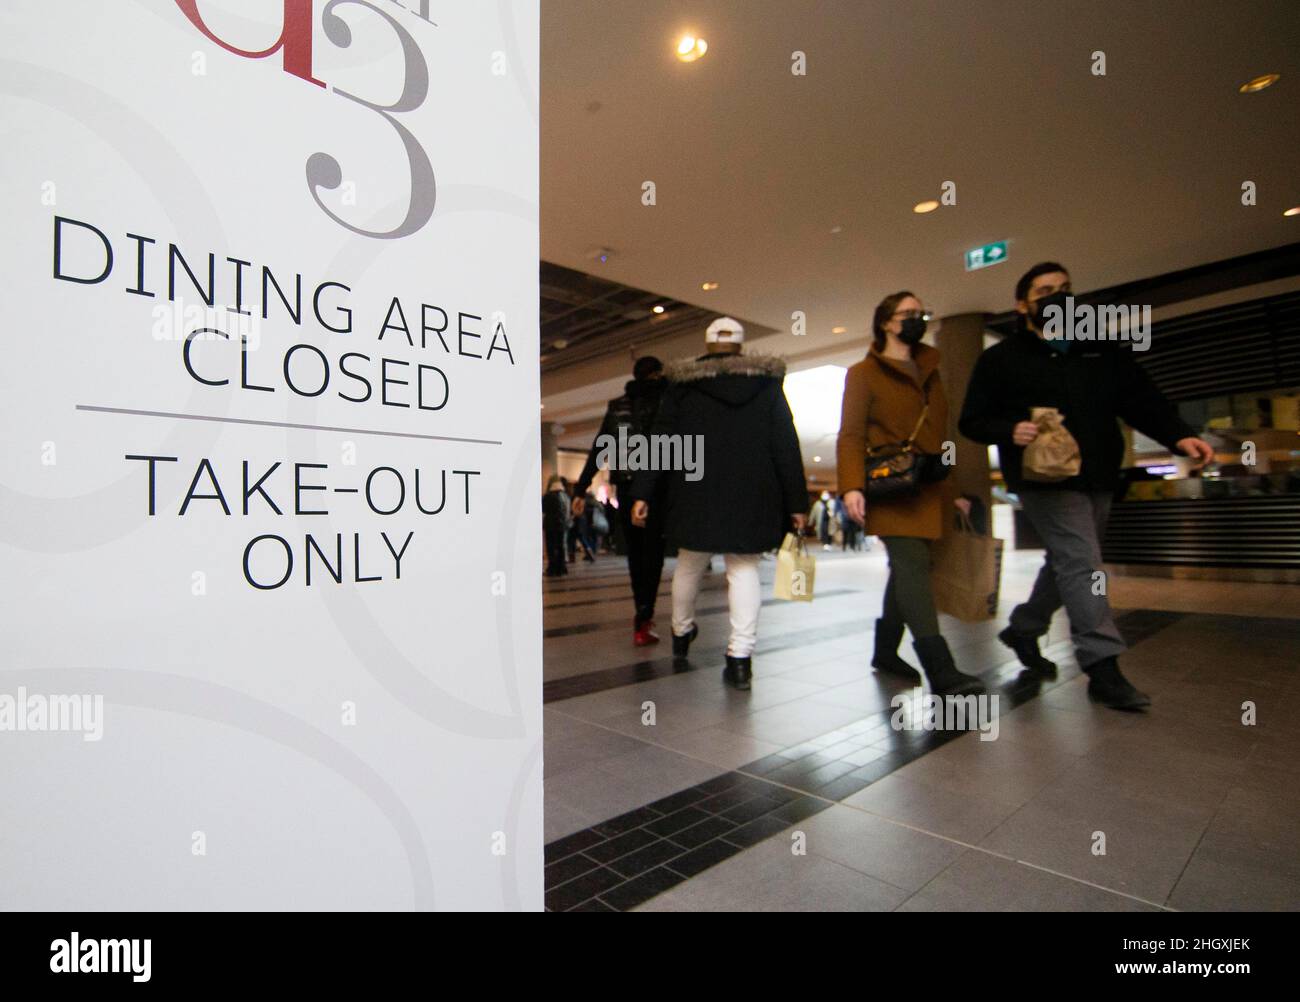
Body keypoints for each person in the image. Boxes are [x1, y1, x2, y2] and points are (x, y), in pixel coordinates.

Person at [959, 261, 1214, 710]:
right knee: (1084, 563)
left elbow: (1140, 400)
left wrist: (1178, 434)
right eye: (1044, 291)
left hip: (1098, 474)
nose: (1056, 296)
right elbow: (972, 421)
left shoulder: (1101, 349)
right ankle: (1102, 664)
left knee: (1069, 560)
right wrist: (1010, 428)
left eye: (1064, 289)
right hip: (1045, 479)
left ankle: (1024, 627)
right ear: (1023, 305)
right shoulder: (1001, 359)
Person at [630, 317, 807, 690]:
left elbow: (660, 441)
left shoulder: (682, 387)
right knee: (742, 570)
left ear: (707, 346)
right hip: (751, 493)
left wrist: (643, 492)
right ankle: (740, 659)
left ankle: (680, 633)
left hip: (694, 492)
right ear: (742, 348)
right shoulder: (767, 386)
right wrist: (797, 502)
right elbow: (785, 446)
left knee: (690, 563)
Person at [837, 292, 984, 697]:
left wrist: (952, 489)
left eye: (921, 313)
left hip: (929, 486)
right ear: (886, 321)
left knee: (908, 570)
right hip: (891, 486)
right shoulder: (863, 373)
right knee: (913, 565)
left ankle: (884, 653)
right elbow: (850, 434)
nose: (917, 319)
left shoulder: (930, 371)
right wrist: (851, 486)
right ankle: (941, 669)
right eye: (908, 314)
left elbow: (942, 438)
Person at [572, 356, 668, 646]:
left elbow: (600, 448)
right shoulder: (667, 400)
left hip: (626, 488)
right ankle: (646, 614)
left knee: (636, 557)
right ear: (659, 374)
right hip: (657, 489)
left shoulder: (618, 407)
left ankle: (641, 616)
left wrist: (580, 489)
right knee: (654, 555)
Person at [541, 474, 570, 577]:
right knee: (561, 546)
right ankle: (561, 568)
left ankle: (552, 568)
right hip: (562, 524)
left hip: (550, 524)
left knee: (551, 547)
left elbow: (543, 510)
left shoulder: (548, 496)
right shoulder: (564, 495)